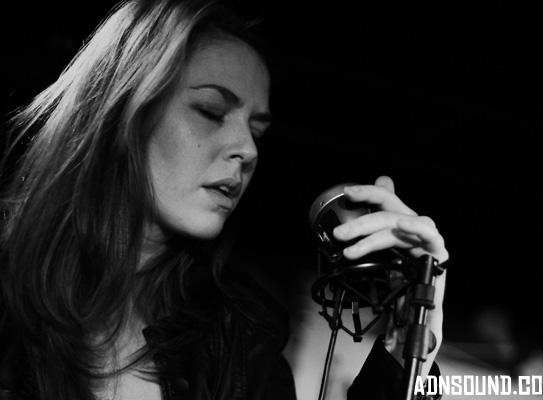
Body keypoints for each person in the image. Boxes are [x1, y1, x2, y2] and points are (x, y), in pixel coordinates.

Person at [0, 0, 449, 399]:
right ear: (121, 111)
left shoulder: (243, 336)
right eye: (211, 111)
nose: (248, 150)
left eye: (256, 132)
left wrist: (407, 344)